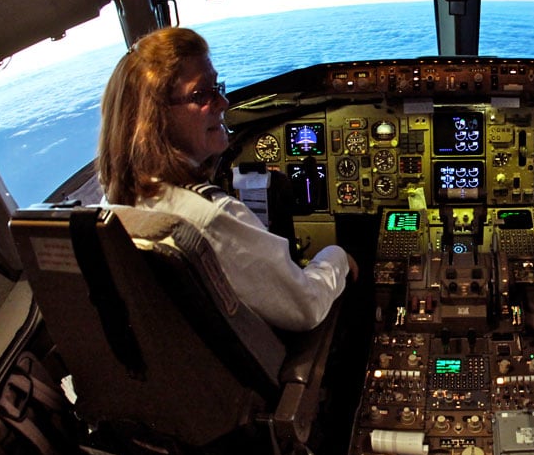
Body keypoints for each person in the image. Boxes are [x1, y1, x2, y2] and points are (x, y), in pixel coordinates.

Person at [97, 26, 357, 331]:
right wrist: (338, 257)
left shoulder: (114, 205)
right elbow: (307, 306)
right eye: (201, 94)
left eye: (217, 87)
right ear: (155, 117)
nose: (223, 103)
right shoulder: (210, 216)